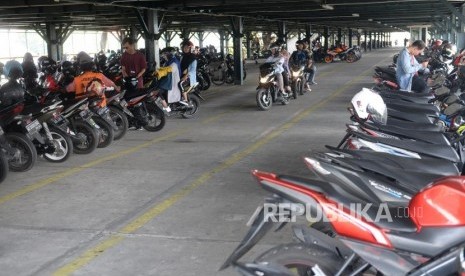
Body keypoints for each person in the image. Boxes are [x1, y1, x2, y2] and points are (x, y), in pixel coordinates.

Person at [157, 47, 183, 113]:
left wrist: (159, 72)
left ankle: (167, 109)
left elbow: (169, 69)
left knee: (158, 91)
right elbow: (165, 68)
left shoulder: (174, 62)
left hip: (172, 82)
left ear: (169, 54)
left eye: (164, 54)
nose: (163, 56)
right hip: (168, 80)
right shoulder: (169, 61)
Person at [179, 39, 197, 104]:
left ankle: (185, 99)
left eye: (187, 47)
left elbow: (193, 70)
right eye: (184, 47)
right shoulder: (182, 57)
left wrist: (185, 76)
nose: (185, 49)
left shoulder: (193, 58)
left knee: (180, 84)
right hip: (181, 75)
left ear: (190, 48)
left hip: (189, 77)